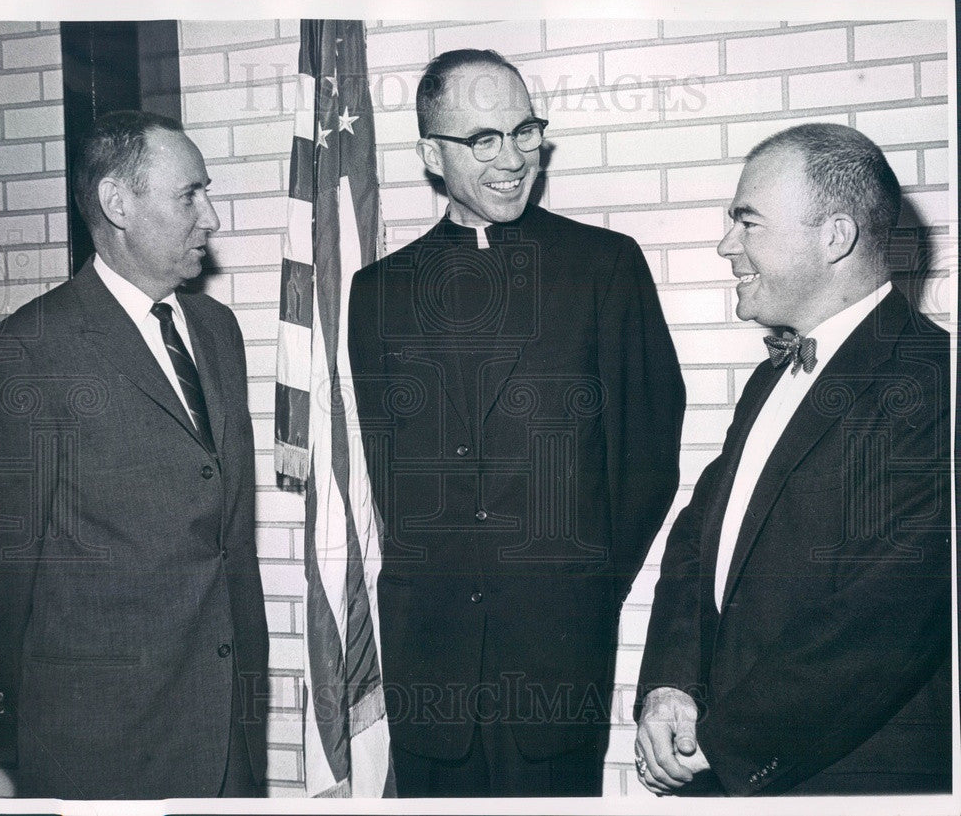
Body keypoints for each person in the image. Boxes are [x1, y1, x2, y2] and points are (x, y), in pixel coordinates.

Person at [347, 49, 684, 797]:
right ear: (431, 155)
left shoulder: (605, 266)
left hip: (557, 652)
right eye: (483, 140)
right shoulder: (375, 293)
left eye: (524, 131)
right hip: (428, 659)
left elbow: (648, 456)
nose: (514, 159)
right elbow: (391, 472)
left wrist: (588, 584)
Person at [634, 123, 951, 796]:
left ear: (835, 236)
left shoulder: (932, 381)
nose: (726, 245)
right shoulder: (768, 380)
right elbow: (697, 544)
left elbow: (883, 619)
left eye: (747, 222)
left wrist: (724, 744)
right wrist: (670, 685)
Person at [0, 110, 269, 799]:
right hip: (102, 752)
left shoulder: (217, 328)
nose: (212, 216)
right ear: (118, 203)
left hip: (227, 735)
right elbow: (2, 572)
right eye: (189, 195)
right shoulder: (28, 351)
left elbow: (228, 538)